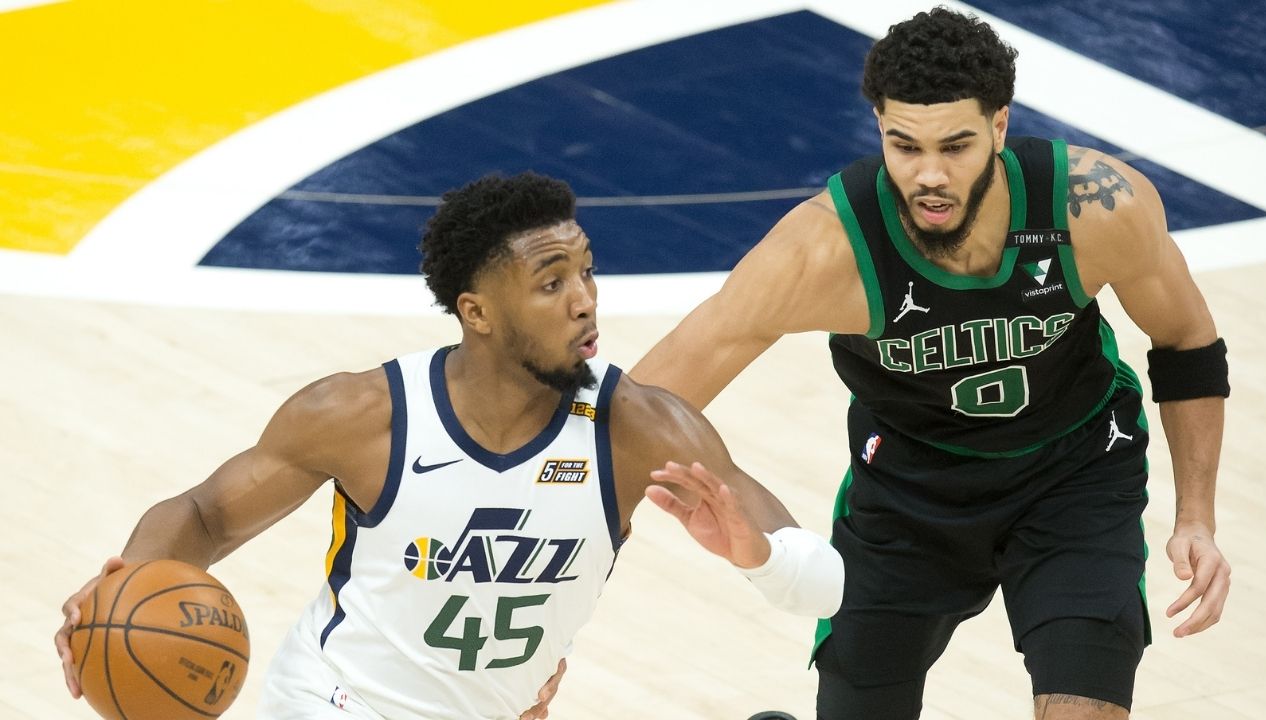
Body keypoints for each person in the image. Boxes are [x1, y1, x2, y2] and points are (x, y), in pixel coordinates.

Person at [54, 172, 844, 720]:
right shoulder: (363, 415)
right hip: (335, 702)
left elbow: (826, 587)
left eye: (587, 273)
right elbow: (206, 514)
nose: (584, 301)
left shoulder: (638, 428)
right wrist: (124, 585)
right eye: (552, 283)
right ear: (478, 312)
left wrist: (760, 556)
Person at [630, 8, 1231, 720]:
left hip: (1074, 475)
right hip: (908, 496)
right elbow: (638, 407)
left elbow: (1188, 342)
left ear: (1000, 127)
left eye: (956, 145)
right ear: (879, 127)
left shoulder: (1093, 208)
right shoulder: (822, 252)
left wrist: (1196, 518)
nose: (930, 176)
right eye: (905, 146)